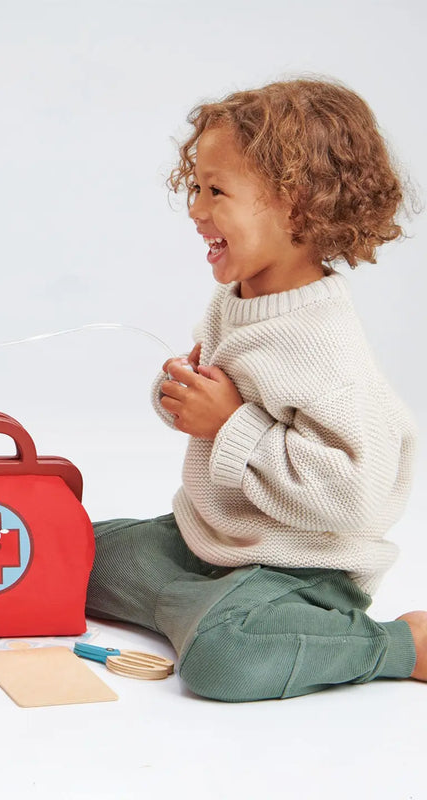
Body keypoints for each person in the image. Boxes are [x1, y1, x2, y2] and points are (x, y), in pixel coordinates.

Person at [85, 78, 426, 702]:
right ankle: (192, 602)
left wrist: (227, 425)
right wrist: (180, 394)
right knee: (68, 552)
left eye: (217, 191)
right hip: (210, 539)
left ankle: (395, 645)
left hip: (300, 568)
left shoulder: (325, 342)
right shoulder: (236, 301)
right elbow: (220, 403)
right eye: (196, 187)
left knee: (226, 657)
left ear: (297, 206)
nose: (195, 209)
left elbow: (355, 495)